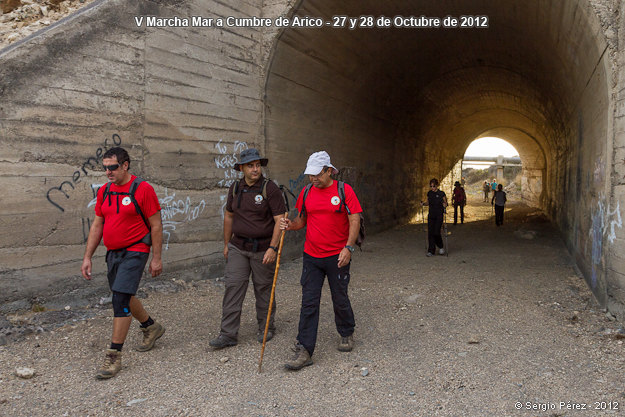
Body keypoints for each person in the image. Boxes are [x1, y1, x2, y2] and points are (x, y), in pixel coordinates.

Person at [81, 147, 164, 379]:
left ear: (125, 165)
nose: (108, 172)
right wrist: (87, 257)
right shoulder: (105, 191)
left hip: (136, 249)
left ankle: (113, 356)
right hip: (113, 253)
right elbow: (97, 225)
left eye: (113, 167)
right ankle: (151, 326)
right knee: (123, 294)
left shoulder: (143, 189)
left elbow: (156, 225)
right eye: (105, 167)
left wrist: (156, 258)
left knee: (119, 298)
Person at [279, 151, 362, 371]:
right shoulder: (307, 192)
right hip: (312, 256)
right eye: (310, 175)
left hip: (338, 256)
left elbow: (354, 219)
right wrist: (290, 225)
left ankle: (346, 332)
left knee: (339, 297)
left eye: (317, 174)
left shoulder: (344, 191)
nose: (313, 179)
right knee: (309, 302)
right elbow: (301, 221)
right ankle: (305, 349)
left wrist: (349, 247)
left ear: (328, 170)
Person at [209, 148, 286, 349]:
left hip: (263, 248)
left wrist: (272, 247)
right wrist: (226, 244)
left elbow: (280, 220)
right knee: (233, 287)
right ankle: (228, 334)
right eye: (251, 165)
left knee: (263, 288)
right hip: (238, 247)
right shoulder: (235, 188)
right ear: (242, 168)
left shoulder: (271, 189)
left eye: (258, 165)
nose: (255, 169)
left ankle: (266, 327)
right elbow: (229, 216)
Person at [421, 178, 448, 256]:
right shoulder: (429, 193)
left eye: (434, 186)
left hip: (439, 215)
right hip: (431, 215)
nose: (432, 188)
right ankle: (431, 250)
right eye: (431, 186)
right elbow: (428, 202)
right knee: (430, 232)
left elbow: (446, 203)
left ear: (437, 185)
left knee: (436, 232)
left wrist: (445, 205)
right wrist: (423, 204)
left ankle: (440, 246)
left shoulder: (441, 193)